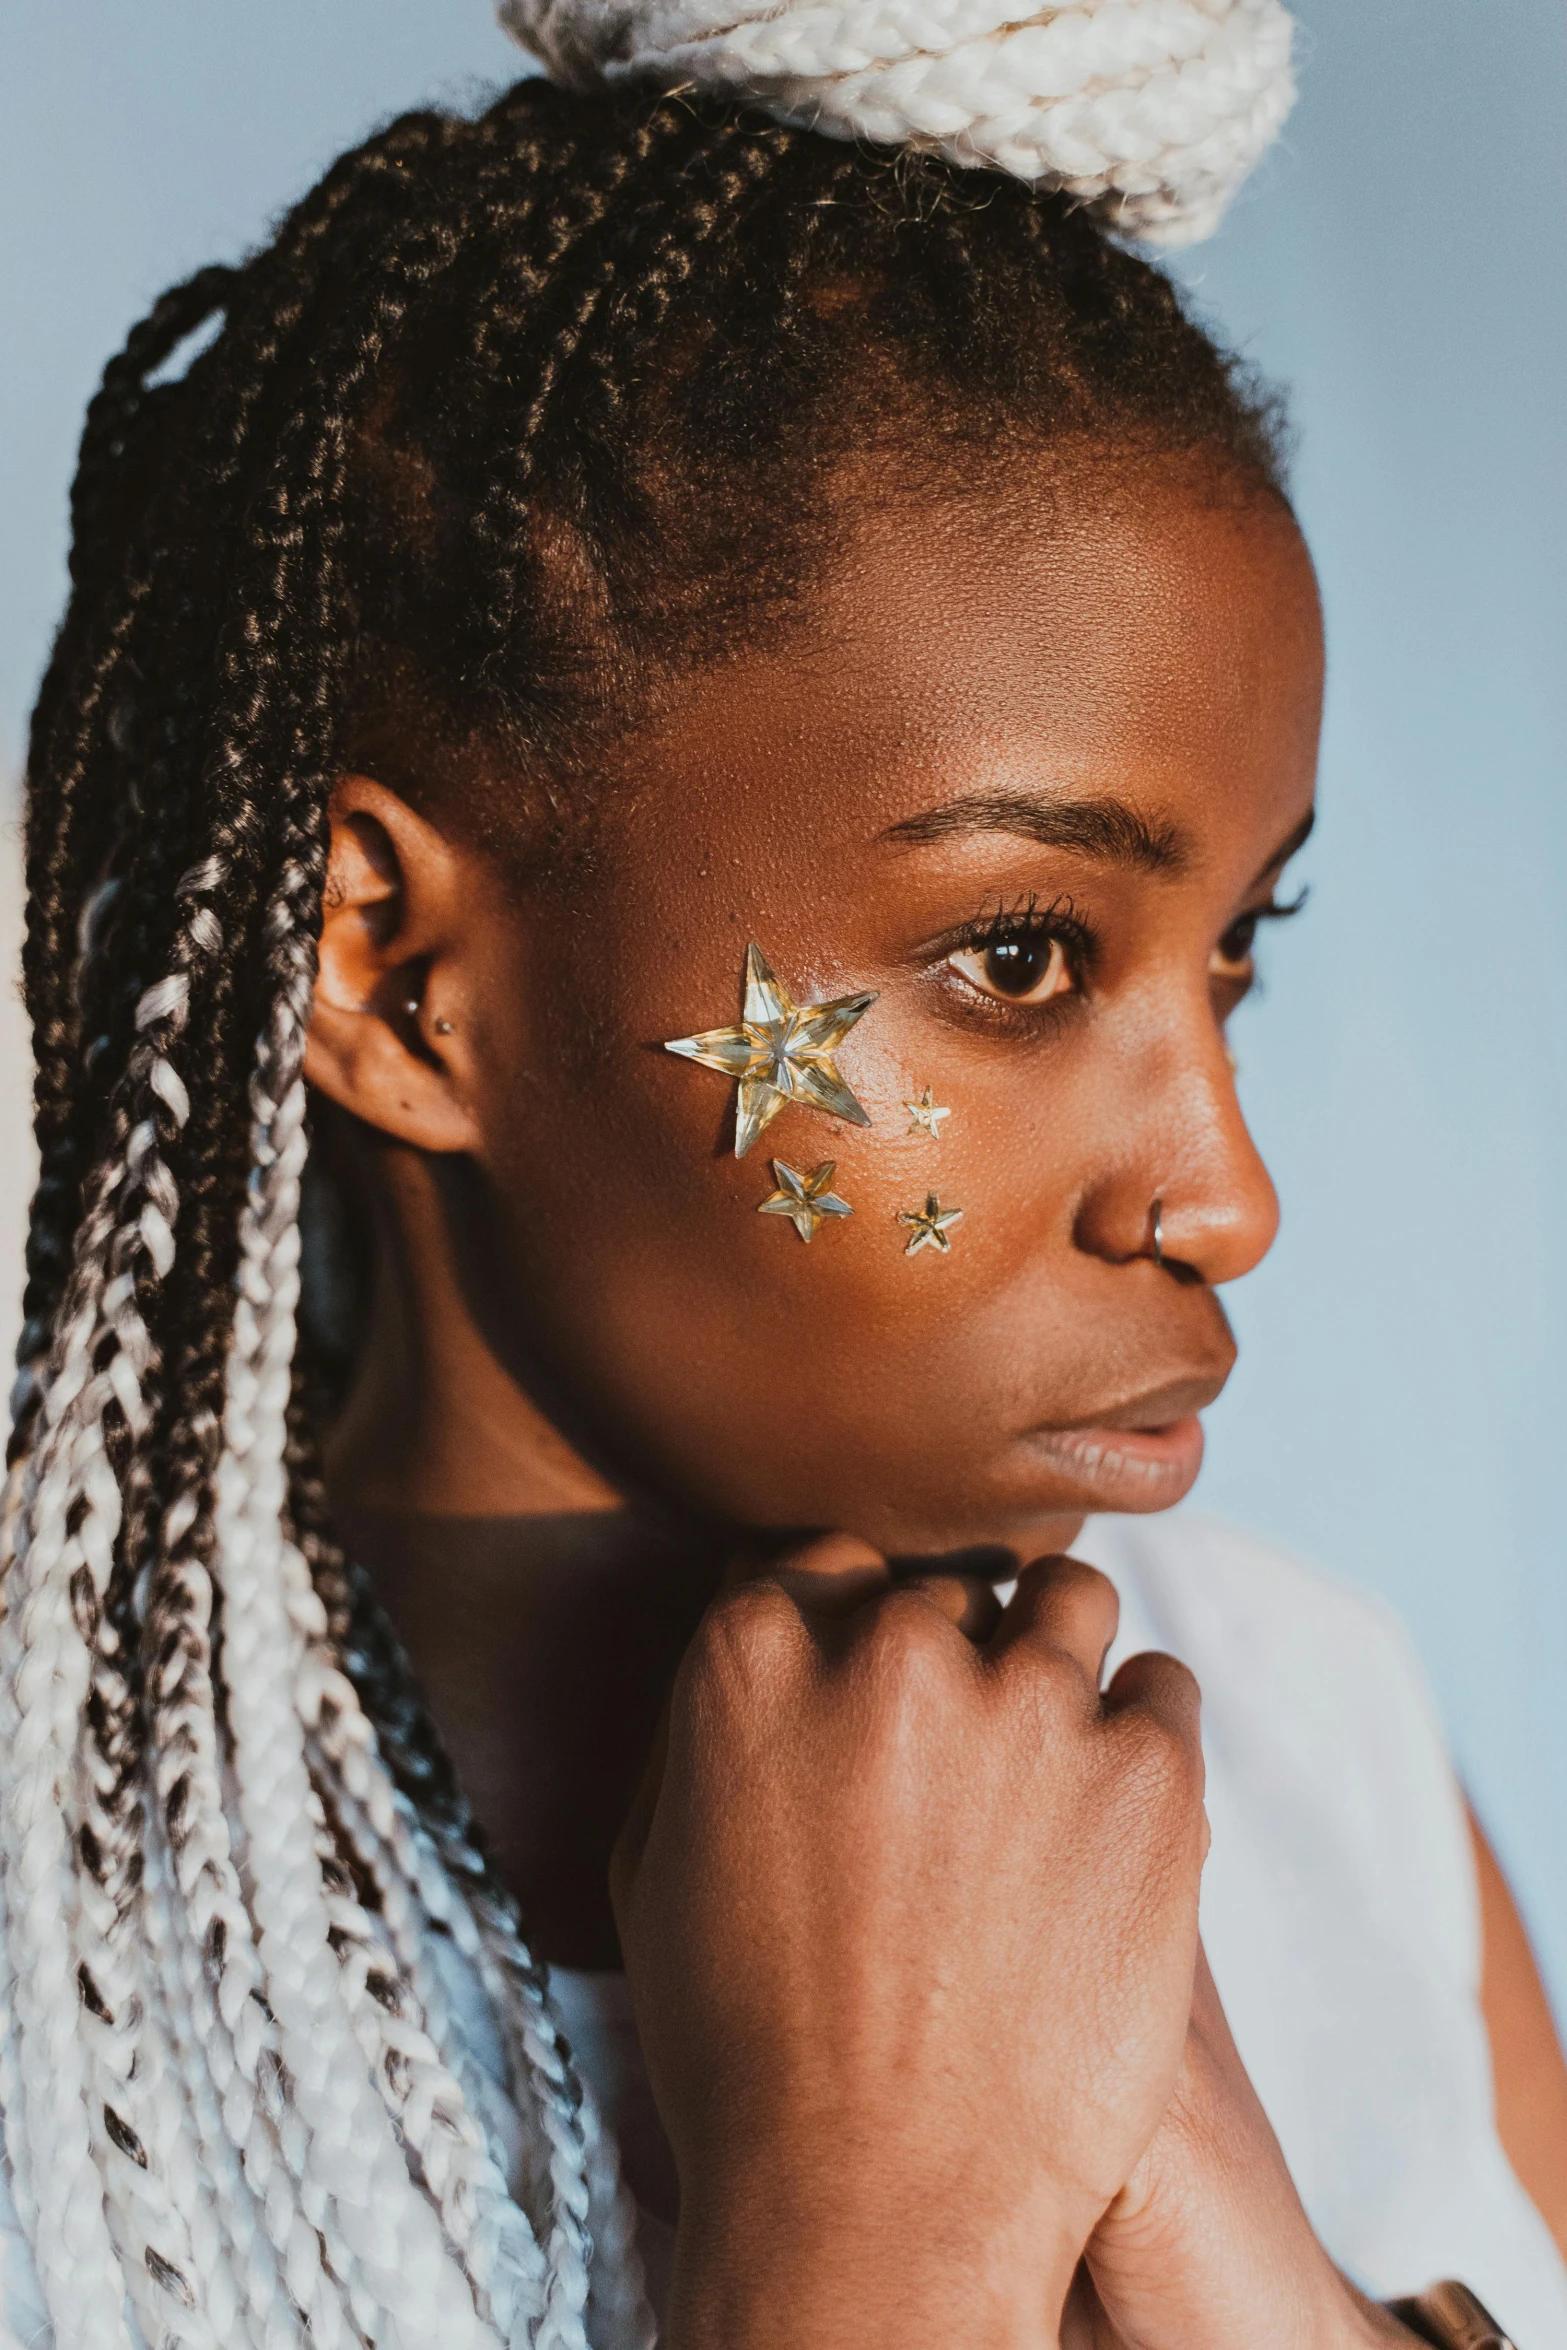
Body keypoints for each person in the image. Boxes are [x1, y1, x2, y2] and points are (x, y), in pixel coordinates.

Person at [4, 4, 1565, 2346]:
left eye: (1235, 951)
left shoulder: (1313, 1744)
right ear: (393, 971)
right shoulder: (61, 1962)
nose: (1221, 1194)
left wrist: (1218, 2212)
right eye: (1023, 955)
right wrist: (882, 2228)